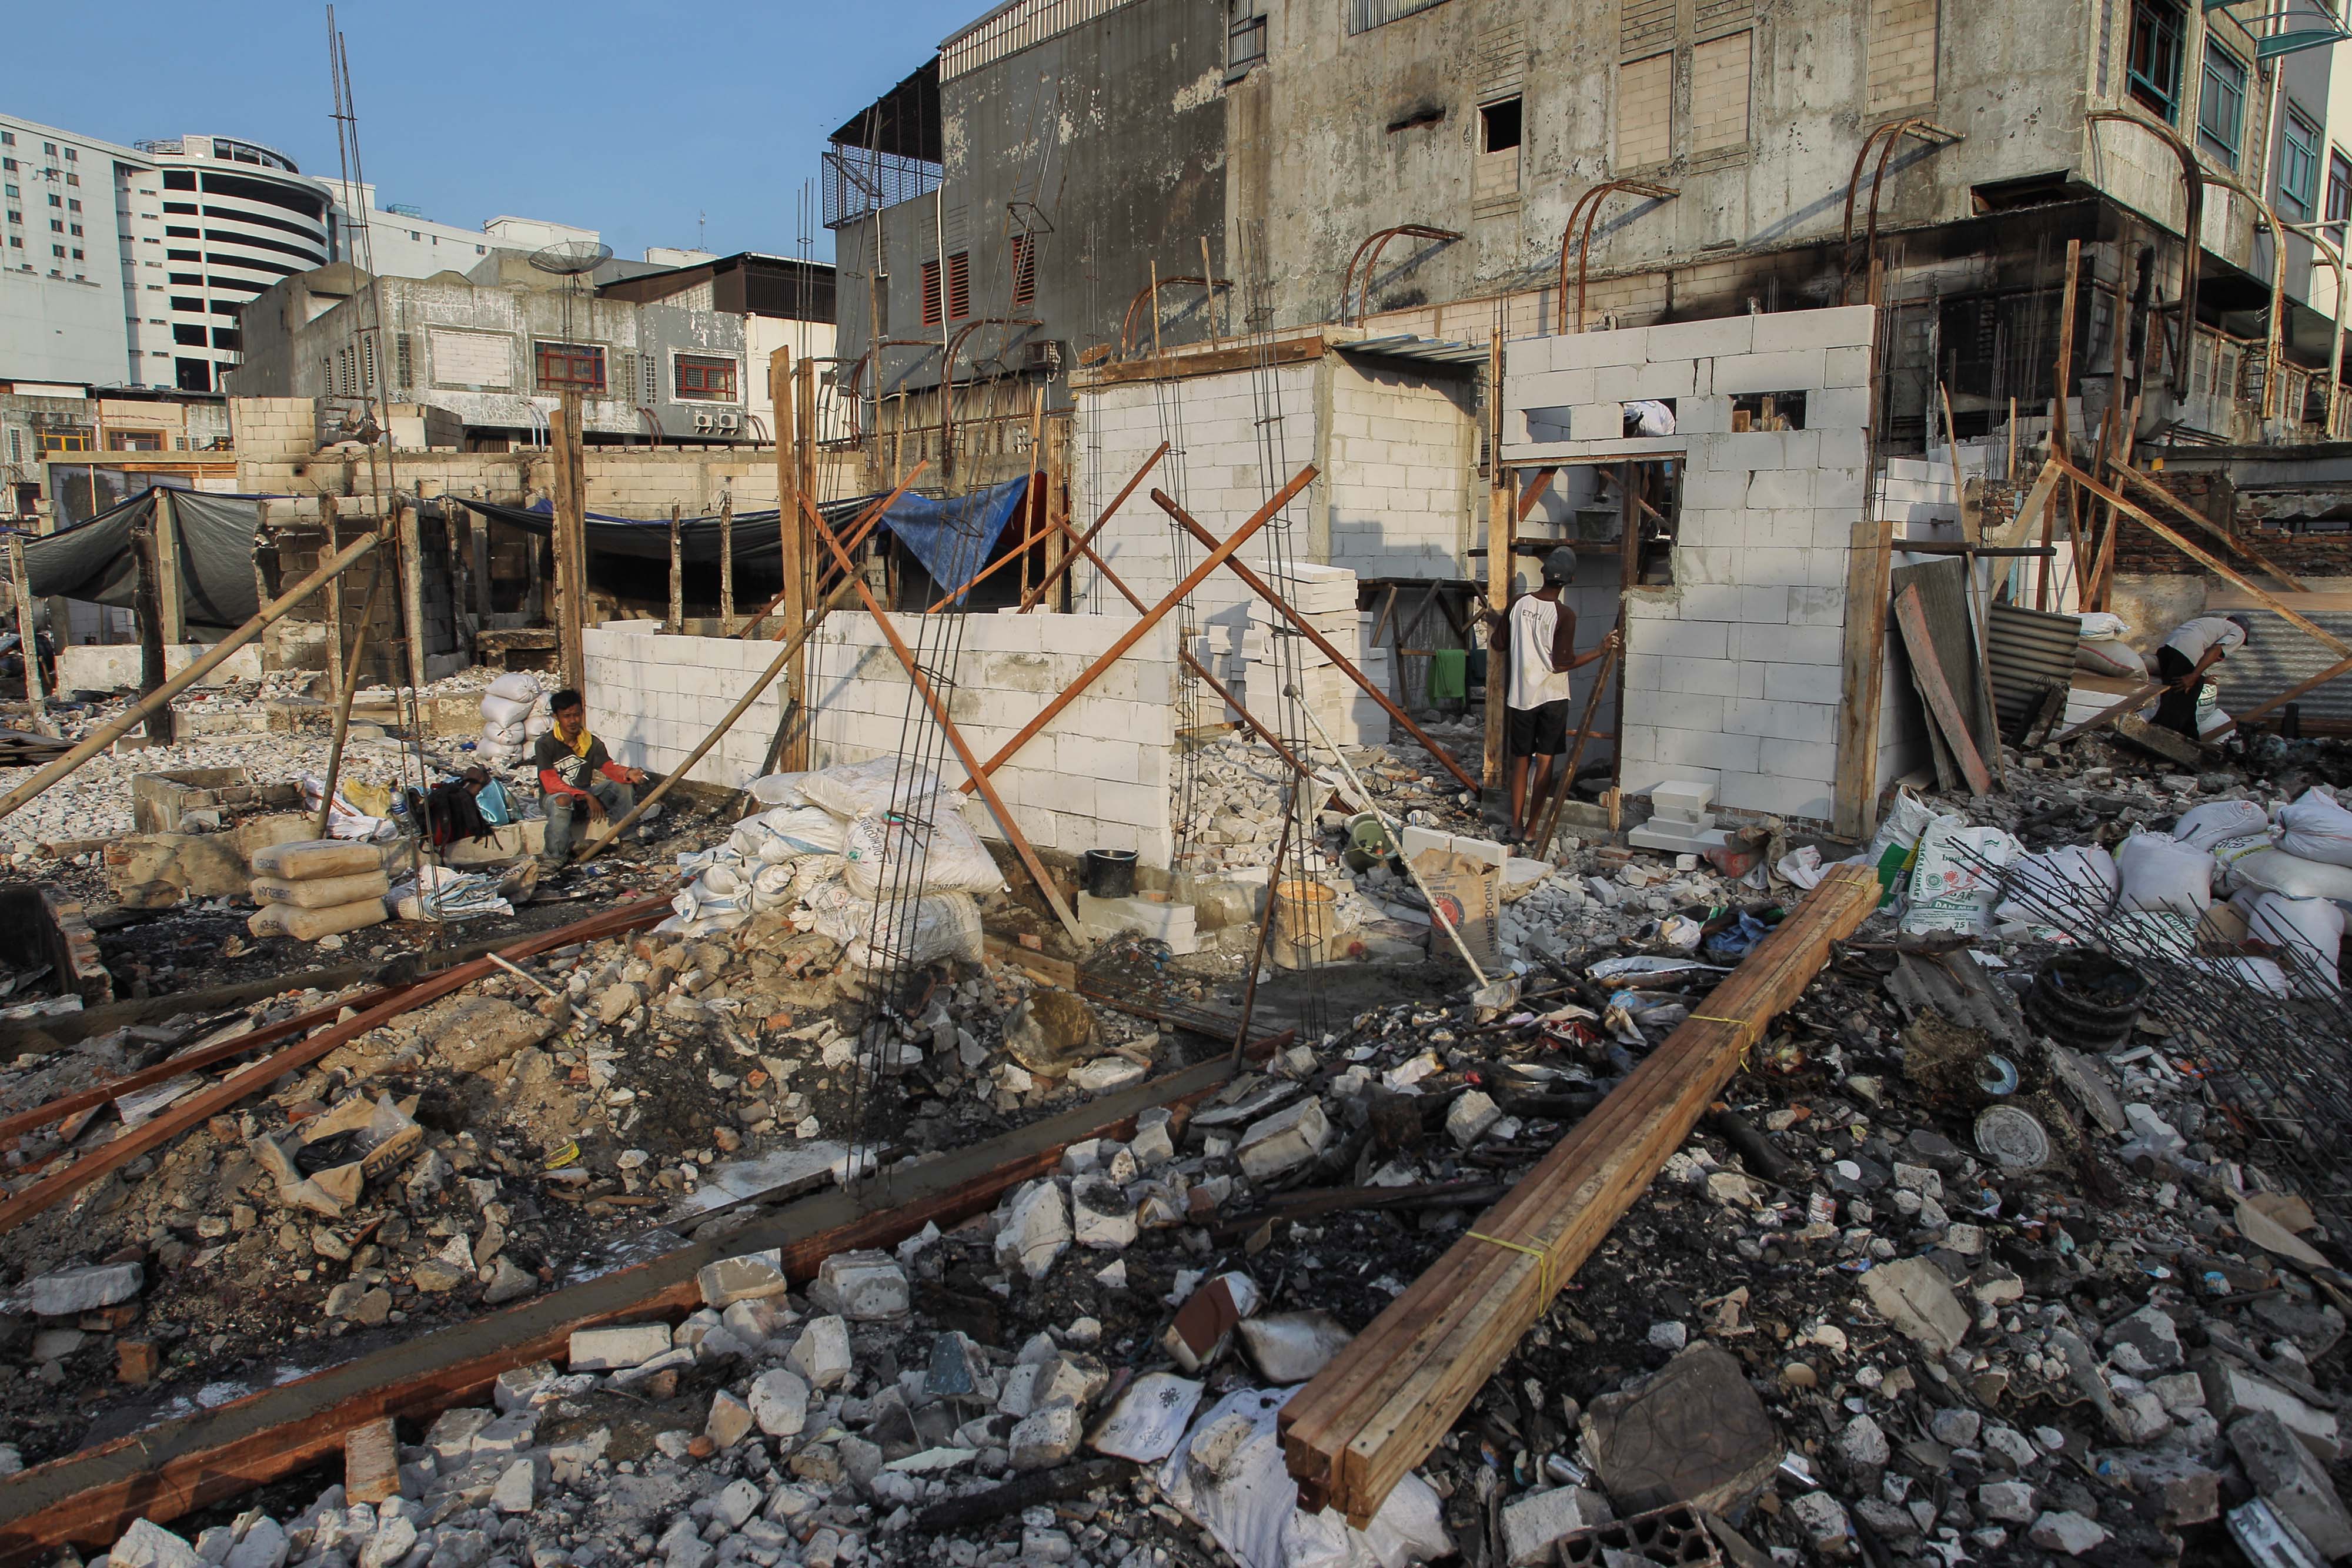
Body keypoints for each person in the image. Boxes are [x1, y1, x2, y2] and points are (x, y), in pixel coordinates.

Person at [1487, 548, 1619, 844]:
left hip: (1521, 696)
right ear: (1569, 580)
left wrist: (1498, 618)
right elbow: (1562, 664)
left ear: (1543, 573)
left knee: (1520, 760)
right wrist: (1600, 650)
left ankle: (1517, 826)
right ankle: (1534, 829)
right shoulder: (1565, 615)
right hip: (1553, 698)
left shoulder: (1518, 604)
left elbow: (1498, 645)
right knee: (1545, 761)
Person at [534, 688, 652, 867]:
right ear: (556, 717)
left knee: (622, 786)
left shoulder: (590, 742)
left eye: (576, 715)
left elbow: (608, 767)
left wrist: (628, 773)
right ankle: (554, 857)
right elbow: (550, 783)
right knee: (563, 800)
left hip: (584, 796)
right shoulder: (545, 744)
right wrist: (585, 796)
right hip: (555, 799)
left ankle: (628, 840)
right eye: (567, 716)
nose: (573, 721)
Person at [2154, 613, 2251, 740]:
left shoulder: (2210, 623)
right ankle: (2155, 738)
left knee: (2185, 703)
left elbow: (2196, 650)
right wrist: (2194, 676)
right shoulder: (2239, 632)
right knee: (2178, 707)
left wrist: (2201, 678)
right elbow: (2216, 650)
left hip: (2166, 650)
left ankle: (2192, 740)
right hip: (2186, 652)